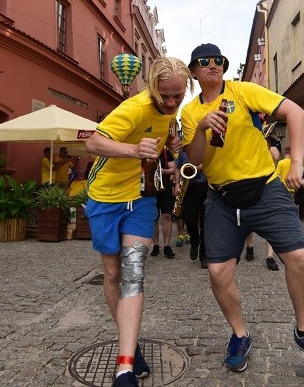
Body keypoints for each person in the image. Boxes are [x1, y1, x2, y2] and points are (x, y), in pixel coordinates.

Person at [181, 43, 304, 379]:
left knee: (299, 258)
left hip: (265, 189)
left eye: (218, 61)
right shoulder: (189, 112)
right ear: (194, 71)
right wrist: (200, 128)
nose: (213, 65)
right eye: (204, 62)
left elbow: (295, 112)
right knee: (218, 273)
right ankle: (240, 335)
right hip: (221, 197)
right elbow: (195, 161)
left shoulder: (243, 91)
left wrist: (296, 162)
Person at [84, 56, 191, 387]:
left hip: (141, 198)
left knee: (133, 273)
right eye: (166, 96)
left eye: (178, 95)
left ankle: (125, 366)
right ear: (153, 87)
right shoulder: (133, 108)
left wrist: (172, 149)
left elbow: (160, 140)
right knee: (113, 274)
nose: (172, 102)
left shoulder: (171, 112)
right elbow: (92, 143)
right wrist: (133, 150)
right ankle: (129, 343)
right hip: (104, 197)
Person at [151, 147, 177, 259]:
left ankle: (167, 245)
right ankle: (156, 245)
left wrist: (163, 171)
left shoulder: (166, 152)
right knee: (153, 218)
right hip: (151, 189)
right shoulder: (147, 152)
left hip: (165, 187)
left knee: (166, 215)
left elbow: (173, 168)